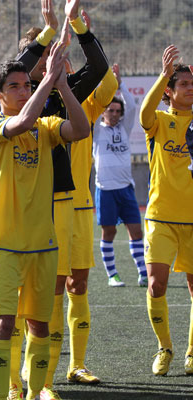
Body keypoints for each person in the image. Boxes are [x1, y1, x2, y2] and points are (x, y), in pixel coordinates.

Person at [10, 1, 113, 397]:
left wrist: (79, 27)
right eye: (43, 57)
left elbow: (100, 69)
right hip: (29, 206)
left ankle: (54, 377)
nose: (51, 62)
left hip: (67, 201)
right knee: (32, 298)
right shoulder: (18, 99)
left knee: (65, 286)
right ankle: (29, 381)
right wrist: (48, 32)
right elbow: (18, 63)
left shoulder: (60, 93)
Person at [0, 41, 90, 400]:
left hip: (43, 245)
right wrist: (47, 82)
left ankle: (34, 393)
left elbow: (81, 129)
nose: (22, 90)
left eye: (26, 85)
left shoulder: (46, 127)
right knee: (4, 324)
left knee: (39, 326)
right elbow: (23, 119)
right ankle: (5, 393)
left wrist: (61, 86)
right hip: (4, 245)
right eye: (14, 86)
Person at [140, 45, 193, 377]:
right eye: (184, 83)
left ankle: (192, 352)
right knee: (156, 285)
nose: (190, 87)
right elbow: (144, 114)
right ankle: (165, 347)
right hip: (160, 216)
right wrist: (163, 74)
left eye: (192, 82)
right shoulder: (158, 121)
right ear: (170, 92)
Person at [92, 63, 147, 288]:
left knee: (136, 230)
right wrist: (103, 84)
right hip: (105, 189)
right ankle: (112, 274)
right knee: (110, 232)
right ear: (104, 112)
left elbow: (132, 106)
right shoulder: (96, 129)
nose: (114, 114)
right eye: (110, 110)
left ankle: (143, 273)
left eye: (117, 111)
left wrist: (120, 83)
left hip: (126, 188)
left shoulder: (124, 128)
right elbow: (92, 106)